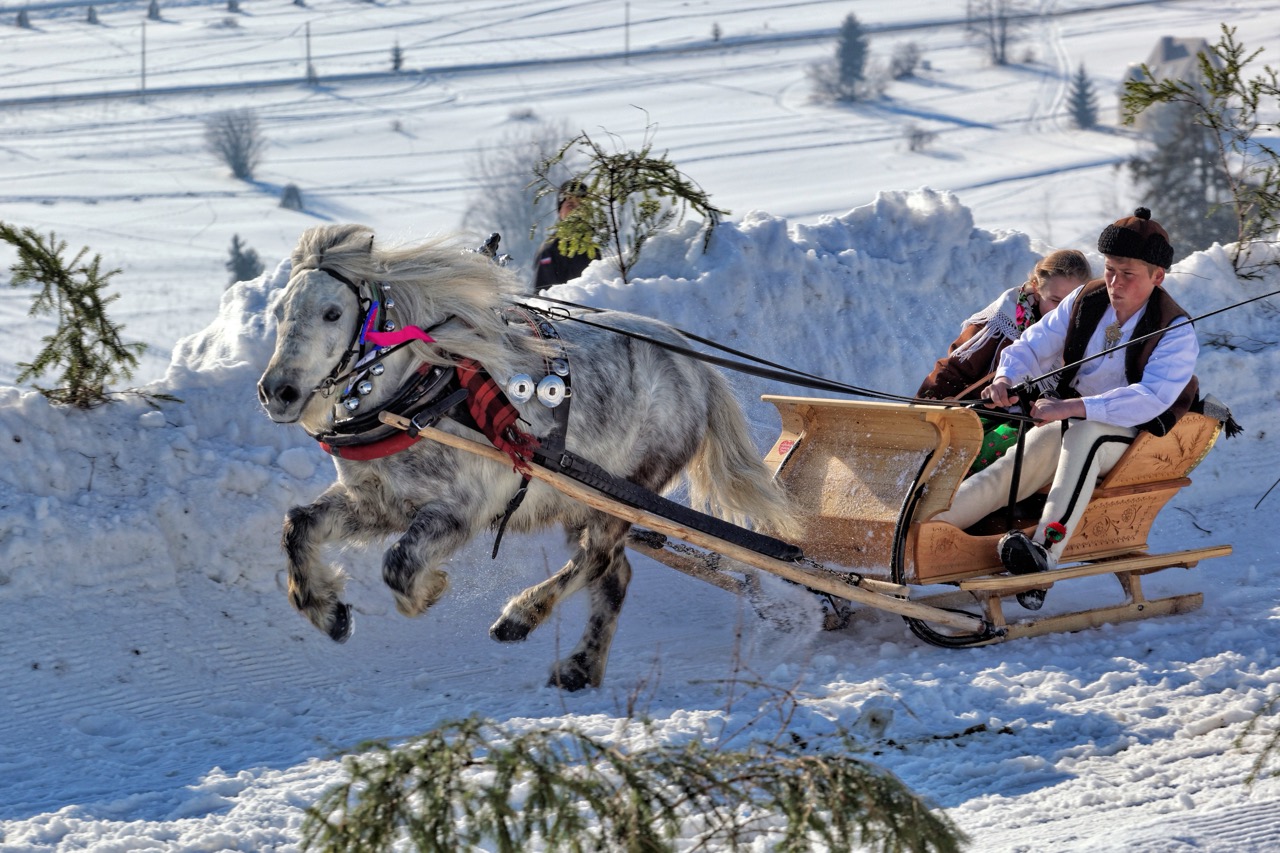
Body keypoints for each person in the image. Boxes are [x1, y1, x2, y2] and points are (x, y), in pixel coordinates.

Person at [932, 208, 1198, 610]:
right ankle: (930, 526)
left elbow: (1150, 398)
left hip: (1134, 435)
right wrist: (1006, 376)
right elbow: (1033, 344)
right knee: (1016, 463)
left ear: (1157, 276)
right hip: (1069, 420)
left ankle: (1043, 556)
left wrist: (1072, 406)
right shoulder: (1086, 299)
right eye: (1110, 269)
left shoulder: (1175, 329)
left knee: (1085, 434)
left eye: (1128, 274)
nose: (1114, 282)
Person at [917, 249, 1093, 401]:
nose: (1062, 311)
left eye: (1072, 303)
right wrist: (928, 404)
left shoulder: (1083, 330)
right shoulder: (1002, 322)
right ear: (1037, 289)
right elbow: (957, 368)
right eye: (1055, 300)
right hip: (979, 415)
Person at [532, 180, 592, 292]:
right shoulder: (549, 250)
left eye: (581, 205)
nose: (576, 210)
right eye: (570, 205)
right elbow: (543, 297)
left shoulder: (593, 249)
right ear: (560, 210)